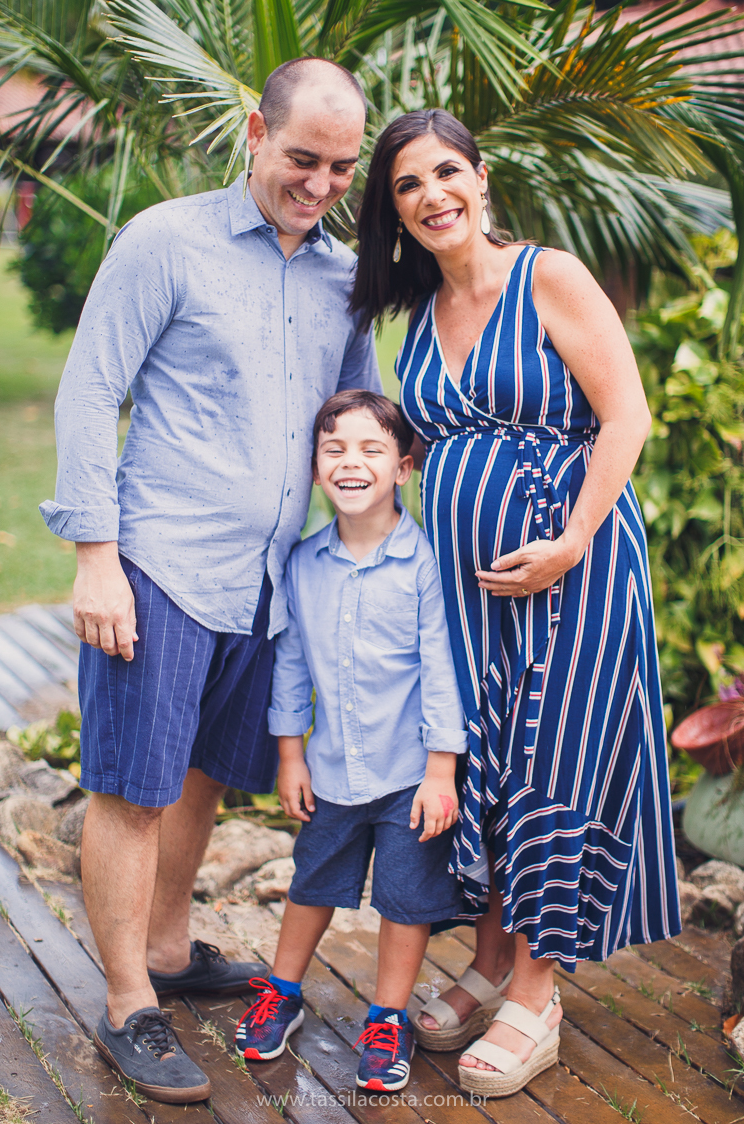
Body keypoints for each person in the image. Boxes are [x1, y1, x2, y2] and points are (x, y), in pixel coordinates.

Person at [38, 58, 381, 1105]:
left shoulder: (345, 276)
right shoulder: (165, 241)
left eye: (339, 167)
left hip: (268, 582)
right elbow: (91, 389)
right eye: (300, 159)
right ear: (252, 132)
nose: (319, 184)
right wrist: (96, 556)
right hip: (159, 566)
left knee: (201, 779)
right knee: (134, 787)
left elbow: (357, 411)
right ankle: (129, 1002)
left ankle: (174, 950)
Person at [350, 109, 681, 1098]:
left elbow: (624, 413)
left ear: (480, 178)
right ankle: (491, 961)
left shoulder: (548, 277)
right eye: (407, 186)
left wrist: (569, 540)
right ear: (395, 211)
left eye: (444, 172)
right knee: (489, 760)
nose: (430, 196)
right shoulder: (411, 315)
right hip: (467, 592)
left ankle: (535, 995)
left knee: (552, 760)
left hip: (570, 572)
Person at [234, 390, 468, 1093]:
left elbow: (441, 669)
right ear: (314, 468)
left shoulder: (425, 563)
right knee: (312, 883)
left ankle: (387, 1017)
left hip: (408, 776)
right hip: (332, 769)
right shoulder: (304, 564)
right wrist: (289, 753)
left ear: (403, 467)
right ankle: (284, 990)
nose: (351, 463)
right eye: (334, 450)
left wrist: (440, 771)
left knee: (405, 899)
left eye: (371, 450)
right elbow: (292, 662)